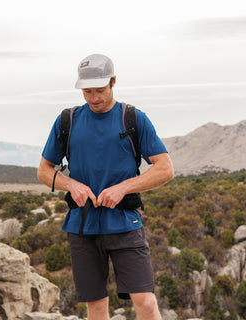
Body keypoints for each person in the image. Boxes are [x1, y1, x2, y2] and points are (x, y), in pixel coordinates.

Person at [37, 53, 174, 320]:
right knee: (96, 307)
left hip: (124, 224)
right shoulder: (67, 121)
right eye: (87, 91)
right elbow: (44, 171)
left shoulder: (133, 118)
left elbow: (165, 169)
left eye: (99, 90)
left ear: (113, 82)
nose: (93, 98)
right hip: (81, 227)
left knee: (146, 303)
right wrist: (71, 185)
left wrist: (123, 188)